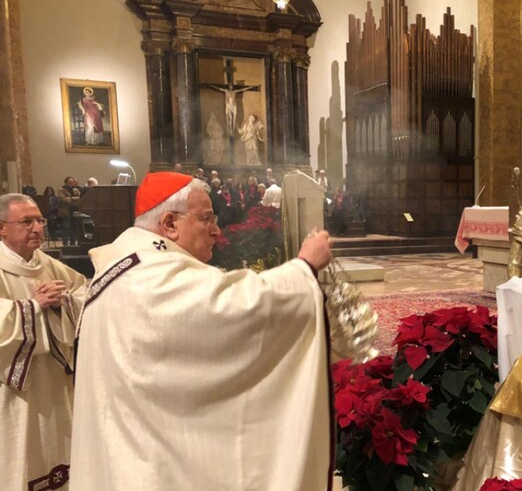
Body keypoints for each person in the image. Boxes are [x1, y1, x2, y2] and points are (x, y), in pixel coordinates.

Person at [70, 172, 334, 490]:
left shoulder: (130, 264)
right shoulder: (149, 278)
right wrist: (304, 268)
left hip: (134, 442)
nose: (216, 231)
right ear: (169, 224)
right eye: (206, 219)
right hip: (146, 464)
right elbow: (231, 308)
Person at [0, 193, 87, 490]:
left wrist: (65, 303)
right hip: (15, 388)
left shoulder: (49, 265)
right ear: (2, 228)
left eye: (40, 220)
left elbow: (85, 294)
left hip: (54, 382)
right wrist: (33, 307)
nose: (38, 228)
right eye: (27, 222)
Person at [57, 176, 80, 246]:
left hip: (74, 212)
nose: (71, 184)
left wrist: (71, 198)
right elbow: (63, 200)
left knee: (74, 228)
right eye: (69, 182)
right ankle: (66, 244)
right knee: (66, 228)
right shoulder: (61, 189)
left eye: (72, 182)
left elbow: (80, 198)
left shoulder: (75, 190)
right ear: (66, 182)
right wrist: (74, 200)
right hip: (66, 212)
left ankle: (73, 243)